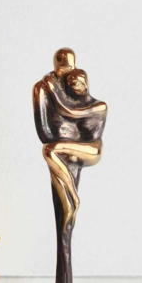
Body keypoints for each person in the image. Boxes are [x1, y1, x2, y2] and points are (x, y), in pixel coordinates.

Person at [33, 49, 108, 230]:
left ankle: (73, 197)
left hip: (92, 149)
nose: (75, 86)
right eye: (71, 84)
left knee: (51, 151)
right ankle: (69, 203)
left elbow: (70, 112)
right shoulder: (50, 90)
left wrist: (52, 89)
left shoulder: (99, 106)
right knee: (53, 159)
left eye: (78, 83)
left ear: (86, 84)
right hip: (72, 147)